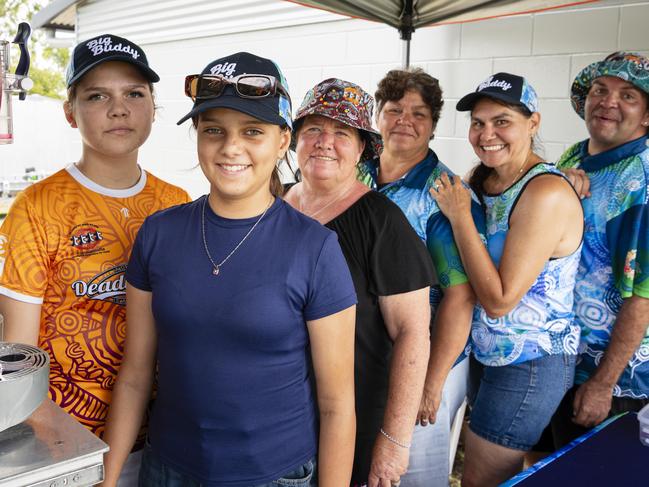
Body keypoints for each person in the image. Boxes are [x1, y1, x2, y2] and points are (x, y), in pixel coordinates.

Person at [101, 53, 357, 487]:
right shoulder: (158, 234)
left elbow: (337, 405)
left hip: (273, 475)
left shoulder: (315, 249)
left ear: (282, 141)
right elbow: (135, 375)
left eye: (252, 131)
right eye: (213, 130)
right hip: (167, 470)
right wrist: (107, 480)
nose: (230, 147)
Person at [0, 34, 190, 484]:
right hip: (68, 445)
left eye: (134, 94)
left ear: (152, 108)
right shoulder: (37, 207)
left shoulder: (176, 204)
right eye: (97, 95)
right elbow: (19, 352)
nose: (118, 108)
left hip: (168, 439)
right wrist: (58, 455)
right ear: (70, 113)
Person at [431, 72, 583, 486]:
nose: (486, 134)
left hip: (530, 362)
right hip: (490, 354)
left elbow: (499, 300)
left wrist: (459, 216)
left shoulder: (545, 192)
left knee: (480, 481)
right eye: (478, 123)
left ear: (533, 123)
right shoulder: (488, 180)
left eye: (502, 122)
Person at [284, 78, 433, 487]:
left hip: (354, 420)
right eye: (313, 128)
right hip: (278, 420)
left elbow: (413, 334)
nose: (324, 141)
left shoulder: (381, 221)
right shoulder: (274, 204)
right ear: (294, 139)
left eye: (342, 132)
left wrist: (394, 440)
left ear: (363, 149)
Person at [357, 68, 479, 487]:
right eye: (394, 110)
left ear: (432, 124)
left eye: (419, 113)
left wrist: (432, 381)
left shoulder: (442, 192)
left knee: (409, 474)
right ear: (377, 115)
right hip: (364, 352)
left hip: (425, 359)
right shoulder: (356, 171)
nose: (404, 120)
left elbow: (460, 298)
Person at [551, 52, 649, 446]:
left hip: (616, 381)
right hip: (564, 359)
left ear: (646, 115)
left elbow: (643, 295)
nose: (609, 102)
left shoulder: (639, 179)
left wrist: (603, 382)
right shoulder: (576, 156)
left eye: (628, 95)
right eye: (600, 90)